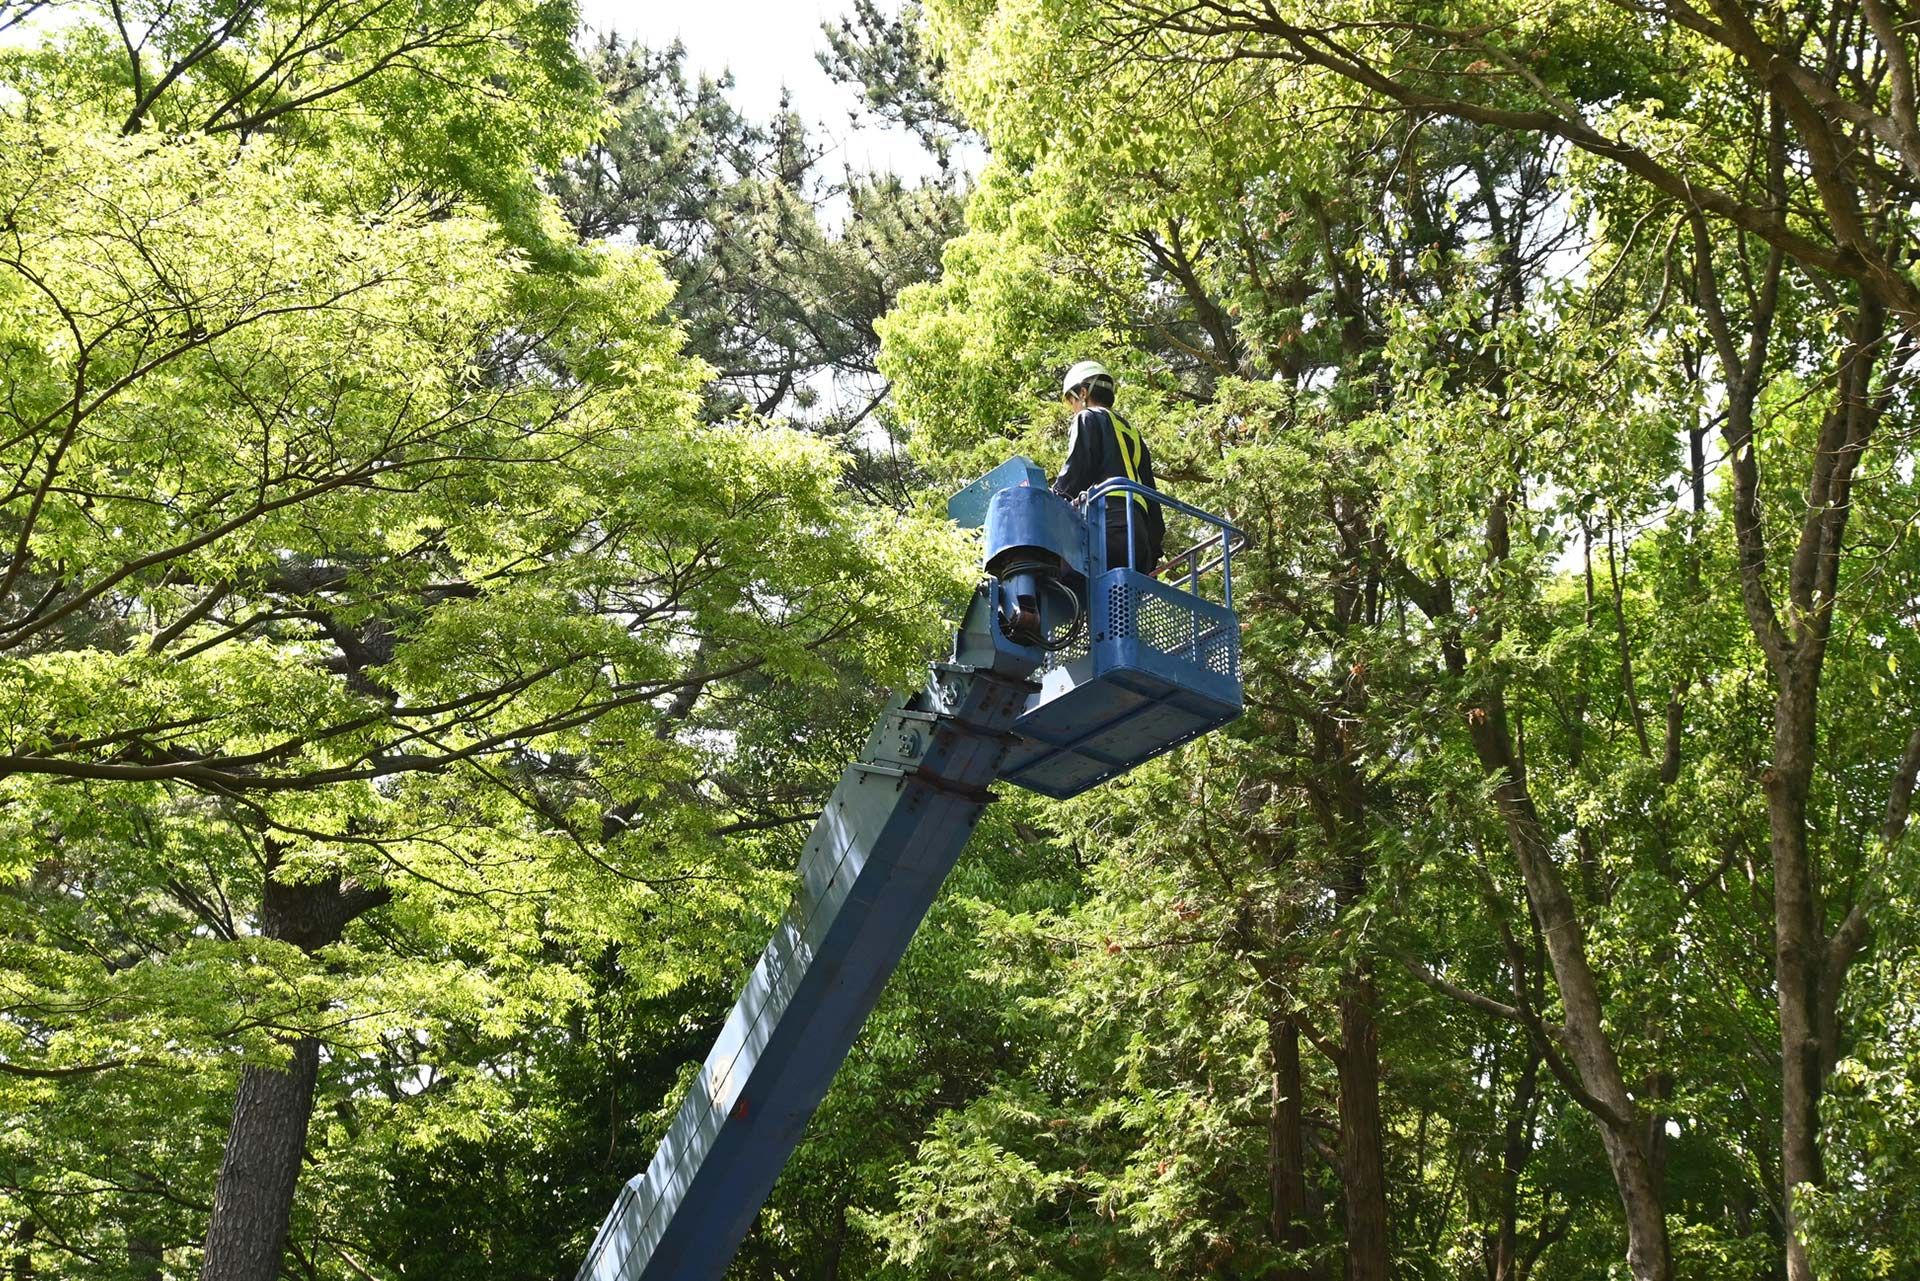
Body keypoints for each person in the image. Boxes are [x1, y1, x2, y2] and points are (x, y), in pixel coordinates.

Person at [1050, 359, 1165, 573]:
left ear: (1083, 393)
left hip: (1108, 527)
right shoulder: (1134, 435)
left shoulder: (1088, 417)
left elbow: (1077, 470)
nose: (1072, 408)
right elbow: (1151, 494)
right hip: (1139, 537)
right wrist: (1153, 548)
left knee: (1060, 580)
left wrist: (1052, 499)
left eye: (1071, 400)